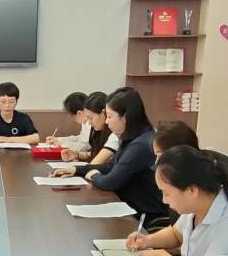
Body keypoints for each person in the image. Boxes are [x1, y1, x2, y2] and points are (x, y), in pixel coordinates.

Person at [57, 88, 169, 221]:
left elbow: (109, 182)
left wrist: (94, 175)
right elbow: (109, 166)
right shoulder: (131, 137)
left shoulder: (140, 144)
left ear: (125, 117)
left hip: (145, 217)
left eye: (109, 117)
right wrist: (76, 169)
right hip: (130, 209)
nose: (106, 121)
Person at [60, 90, 115, 163]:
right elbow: (95, 154)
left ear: (103, 113)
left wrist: (76, 168)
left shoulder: (114, 135)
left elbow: (98, 163)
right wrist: (77, 154)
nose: (89, 122)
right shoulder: (98, 131)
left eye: (90, 118)